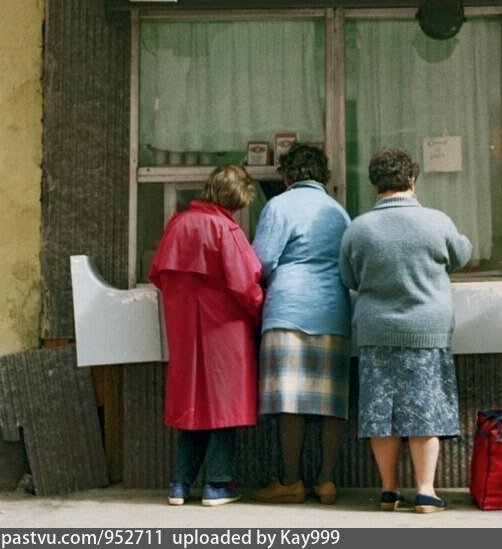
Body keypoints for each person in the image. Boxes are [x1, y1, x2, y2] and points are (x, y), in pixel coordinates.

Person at [339, 147, 472, 514]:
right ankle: (426, 491)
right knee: (425, 410)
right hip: (426, 331)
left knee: (381, 412)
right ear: (413, 181)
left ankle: (388, 490)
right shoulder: (436, 221)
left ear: (374, 184)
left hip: (376, 331)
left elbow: (348, 277)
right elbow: (461, 255)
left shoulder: (359, 227)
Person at [148, 164, 263, 507]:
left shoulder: (178, 223)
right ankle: (217, 483)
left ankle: (179, 484)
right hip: (224, 327)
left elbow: (157, 274)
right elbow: (246, 285)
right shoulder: (225, 229)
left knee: (192, 403)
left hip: (183, 325)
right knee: (224, 404)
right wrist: (261, 311)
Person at [250, 143, 352, 505]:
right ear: (323, 175)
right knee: (331, 401)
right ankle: (326, 481)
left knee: (290, 400)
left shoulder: (278, 205)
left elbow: (260, 261)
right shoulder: (338, 212)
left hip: (288, 309)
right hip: (333, 311)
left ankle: (291, 480)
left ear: (288, 174)